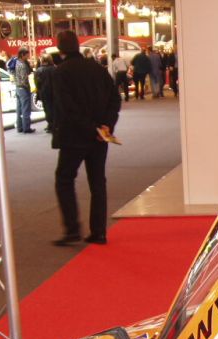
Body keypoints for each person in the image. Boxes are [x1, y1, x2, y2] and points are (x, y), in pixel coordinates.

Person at [51, 30, 121, 246]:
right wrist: (105, 126)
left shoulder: (61, 73)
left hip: (74, 137)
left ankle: (72, 229)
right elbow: (115, 100)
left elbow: (67, 109)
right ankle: (98, 232)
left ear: (60, 48)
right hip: (100, 137)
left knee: (64, 178)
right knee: (97, 181)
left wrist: (91, 128)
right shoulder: (98, 70)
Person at [34, 54, 56, 132]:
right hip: (54, 92)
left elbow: (37, 83)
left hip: (44, 92)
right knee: (54, 109)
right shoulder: (55, 69)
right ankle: (53, 125)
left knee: (47, 109)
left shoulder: (39, 70)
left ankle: (50, 125)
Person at [14, 48, 34, 133]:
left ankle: (19, 126)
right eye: (26, 55)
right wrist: (27, 87)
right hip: (23, 88)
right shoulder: (22, 65)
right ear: (22, 55)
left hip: (17, 87)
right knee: (26, 109)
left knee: (19, 109)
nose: (28, 56)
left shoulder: (16, 63)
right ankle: (26, 127)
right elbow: (24, 79)